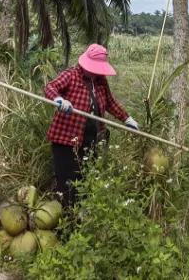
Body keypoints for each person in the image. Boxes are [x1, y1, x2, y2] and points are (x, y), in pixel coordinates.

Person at [44, 43, 140, 208]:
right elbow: (50, 87)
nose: (95, 72)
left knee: (86, 178)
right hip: (67, 138)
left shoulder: (100, 81)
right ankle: (67, 216)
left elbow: (110, 102)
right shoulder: (71, 75)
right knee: (68, 181)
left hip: (91, 139)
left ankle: (83, 215)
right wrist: (59, 100)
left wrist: (127, 118)